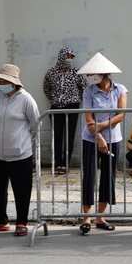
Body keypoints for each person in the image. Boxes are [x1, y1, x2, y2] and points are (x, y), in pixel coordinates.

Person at [0, 64, 40, 237]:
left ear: (13, 83)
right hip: (1, 152)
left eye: (4, 80)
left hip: (21, 153)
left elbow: (36, 124)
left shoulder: (26, 99)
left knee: (21, 189)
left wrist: (24, 142)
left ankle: (21, 222)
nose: (0, 83)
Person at [77, 52, 127, 234]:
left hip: (113, 138)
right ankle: (87, 217)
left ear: (105, 73)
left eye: (94, 73)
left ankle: (100, 216)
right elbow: (88, 117)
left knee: (108, 176)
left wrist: (102, 126)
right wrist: (98, 136)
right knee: (89, 176)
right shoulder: (88, 91)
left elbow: (121, 114)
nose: (91, 76)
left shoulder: (120, 89)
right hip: (90, 138)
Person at [42, 46, 87, 175]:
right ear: (61, 57)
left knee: (69, 136)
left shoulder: (76, 73)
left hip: (72, 107)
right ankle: (58, 163)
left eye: (71, 57)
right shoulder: (51, 72)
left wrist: (75, 99)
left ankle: (66, 163)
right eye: (67, 57)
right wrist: (55, 99)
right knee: (57, 136)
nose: (70, 59)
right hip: (56, 108)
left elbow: (85, 87)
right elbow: (46, 88)